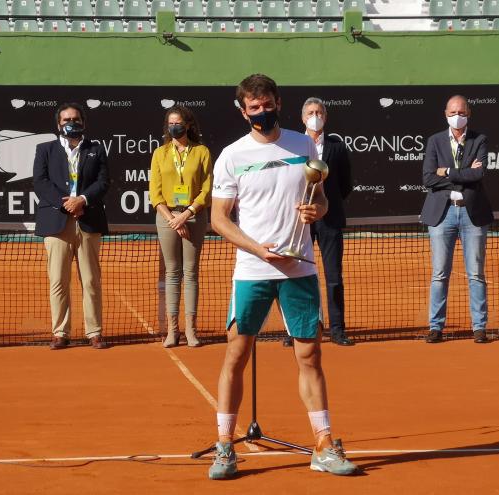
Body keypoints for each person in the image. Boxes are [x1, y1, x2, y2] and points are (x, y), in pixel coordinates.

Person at [208, 74, 358, 479]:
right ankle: (224, 446)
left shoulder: (304, 143)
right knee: (236, 355)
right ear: (243, 112)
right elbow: (219, 219)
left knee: (310, 355)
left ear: (277, 101)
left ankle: (324, 445)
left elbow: (321, 197)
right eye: (253, 107)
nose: (261, 112)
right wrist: (257, 249)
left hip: (300, 267)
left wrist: (319, 211)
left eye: (267, 103)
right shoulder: (231, 156)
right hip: (253, 270)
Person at [33, 102, 110, 350]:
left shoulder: (96, 150)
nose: (71, 123)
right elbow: (40, 181)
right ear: (58, 124)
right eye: (66, 119)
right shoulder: (45, 149)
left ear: (83, 123)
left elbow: (103, 181)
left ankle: (94, 332)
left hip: (88, 221)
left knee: (90, 280)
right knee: (58, 280)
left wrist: (82, 200)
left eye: (75, 119)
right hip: (56, 222)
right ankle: (60, 332)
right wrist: (64, 203)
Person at [420, 95, 493, 344]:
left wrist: (448, 172)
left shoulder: (479, 139)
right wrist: (463, 175)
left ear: (468, 113)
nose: (456, 115)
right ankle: (436, 326)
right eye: (452, 112)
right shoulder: (435, 141)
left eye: (461, 111)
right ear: (445, 113)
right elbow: (429, 178)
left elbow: (478, 173)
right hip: (443, 213)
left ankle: (479, 327)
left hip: (473, 214)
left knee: (475, 273)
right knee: (440, 273)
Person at [284, 97, 353, 347]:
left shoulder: (337, 146)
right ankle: (295, 329)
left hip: (330, 219)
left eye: (319, 112)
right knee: (296, 274)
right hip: (300, 219)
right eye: (311, 112)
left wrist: (326, 205)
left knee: (334, 276)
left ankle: (337, 330)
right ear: (303, 118)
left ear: (325, 116)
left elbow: (345, 184)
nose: (315, 116)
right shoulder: (293, 145)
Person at [149, 106, 212, 348]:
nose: (174, 126)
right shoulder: (160, 154)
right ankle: (173, 331)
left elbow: (206, 189)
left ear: (188, 125)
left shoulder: (202, 152)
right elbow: (155, 193)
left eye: (178, 122)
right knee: (172, 273)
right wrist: (172, 219)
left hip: (193, 216)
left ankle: (191, 331)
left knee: (191, 272)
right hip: (167, 219)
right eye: (170, 123)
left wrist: (186, 214)